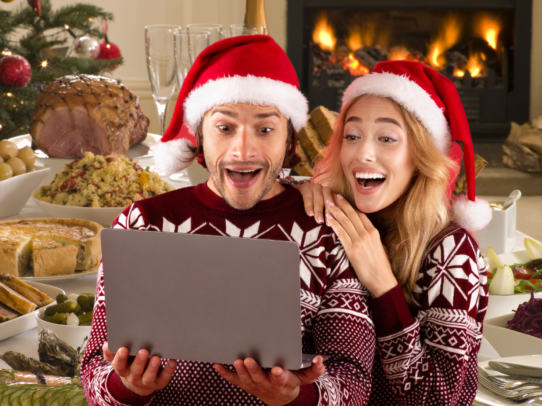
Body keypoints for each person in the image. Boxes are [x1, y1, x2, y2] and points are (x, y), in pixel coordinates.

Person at [80, 35, 376, 406]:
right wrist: (129, 387)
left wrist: (296, 396)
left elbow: (354, 380)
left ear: (289, 142)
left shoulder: (324, 233)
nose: (243, 149)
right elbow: (94, 370)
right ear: (200, 137)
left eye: (265, 129)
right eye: (224, 128)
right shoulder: (141, 223)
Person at [296, 60, 491, 405]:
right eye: (352, 136)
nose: (363, 153)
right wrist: (297, 189)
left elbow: (436, 399)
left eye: (387, 138)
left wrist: (384, 287)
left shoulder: (452, 251)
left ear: (421, 155)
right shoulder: (331, 217)